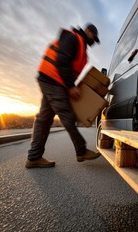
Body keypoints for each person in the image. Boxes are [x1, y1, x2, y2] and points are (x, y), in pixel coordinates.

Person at [25, 23, 101, 168]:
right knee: (67, 115)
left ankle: (34, 157)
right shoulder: (73, 38)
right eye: (94, 37)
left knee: (44, 119)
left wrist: (70, 85)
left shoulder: (81, 48)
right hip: (53, 79)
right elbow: (62, 61)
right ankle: (81, 150)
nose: (94, 42)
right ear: (88, 31)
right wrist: (71, 86)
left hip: (52, 80)